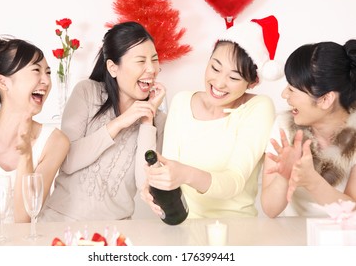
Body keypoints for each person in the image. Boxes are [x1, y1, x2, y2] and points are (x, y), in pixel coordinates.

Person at [142, 15, 282, 218]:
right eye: (215, 68)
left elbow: (234, 182)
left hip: (235, 232)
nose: (219, 82)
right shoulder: (182, 102)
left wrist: (185, 174)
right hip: (183, 228)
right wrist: (156, 184)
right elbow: (169, 168)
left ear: (252, 83)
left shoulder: (258, 108)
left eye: (233, 77)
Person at [39, 21, 167, 222]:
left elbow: (145, 183)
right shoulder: (87, 92)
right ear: (113, 68)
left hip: (115, 233)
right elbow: (67, 162)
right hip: (60, 224)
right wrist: (119, 123)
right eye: (141, 61)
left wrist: (146, 120)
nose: (151, 69)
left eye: (154, 59)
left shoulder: (157, 120)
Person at [0, 36, 70, 224]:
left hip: (15, 247)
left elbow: (24, 221)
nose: (46, 81)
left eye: (47, 72)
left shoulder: (55, 142)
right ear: (3, 82)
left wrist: (26, 156)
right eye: (36, 71)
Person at [261, 40, 356, 218]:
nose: (284, 95)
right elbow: (270, 209)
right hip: (293, 238)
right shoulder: (285, 126)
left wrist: (312, 181)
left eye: (292, 89)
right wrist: (284, 175)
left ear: (326, 99)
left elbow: (353, 213)